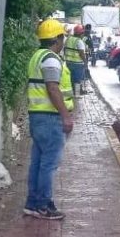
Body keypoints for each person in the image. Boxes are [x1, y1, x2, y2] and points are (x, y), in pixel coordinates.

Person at [24, 19, 75, 221]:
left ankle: (33, 203)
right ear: (56, 38)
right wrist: (65, 115)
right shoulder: (51, 59)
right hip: (50, 118)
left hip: (37, 116)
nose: (63, 40)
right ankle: (44, 205)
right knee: (48, 164)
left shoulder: (37, 56)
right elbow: (52, 88)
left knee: (37, 162)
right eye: (62, 36)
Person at [65, 25, 88, 94]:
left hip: (68, 62)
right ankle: (77, 93)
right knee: (77, 80)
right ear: (81, 33)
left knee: (70, 79)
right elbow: (81, 53)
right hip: (77, 64)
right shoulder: (79, 41)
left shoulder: (68, 39)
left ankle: (71, 92)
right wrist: (85, 62)